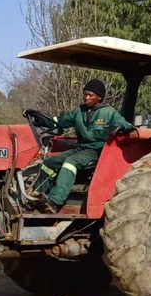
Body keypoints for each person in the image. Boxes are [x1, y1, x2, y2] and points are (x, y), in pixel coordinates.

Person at [30, 79, 133, 213]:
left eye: (90, 95)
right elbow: (58, 121)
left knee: (70, 162)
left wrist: (119, 126)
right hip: (81, 148)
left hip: (97, 151)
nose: (86, 97)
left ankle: (55, 201)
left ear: (99, 97)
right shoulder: (79, 111)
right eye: (85, 94)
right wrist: (40, 118)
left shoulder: (109, 112)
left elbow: (128, 126)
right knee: (49, 162)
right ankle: (37, 196)